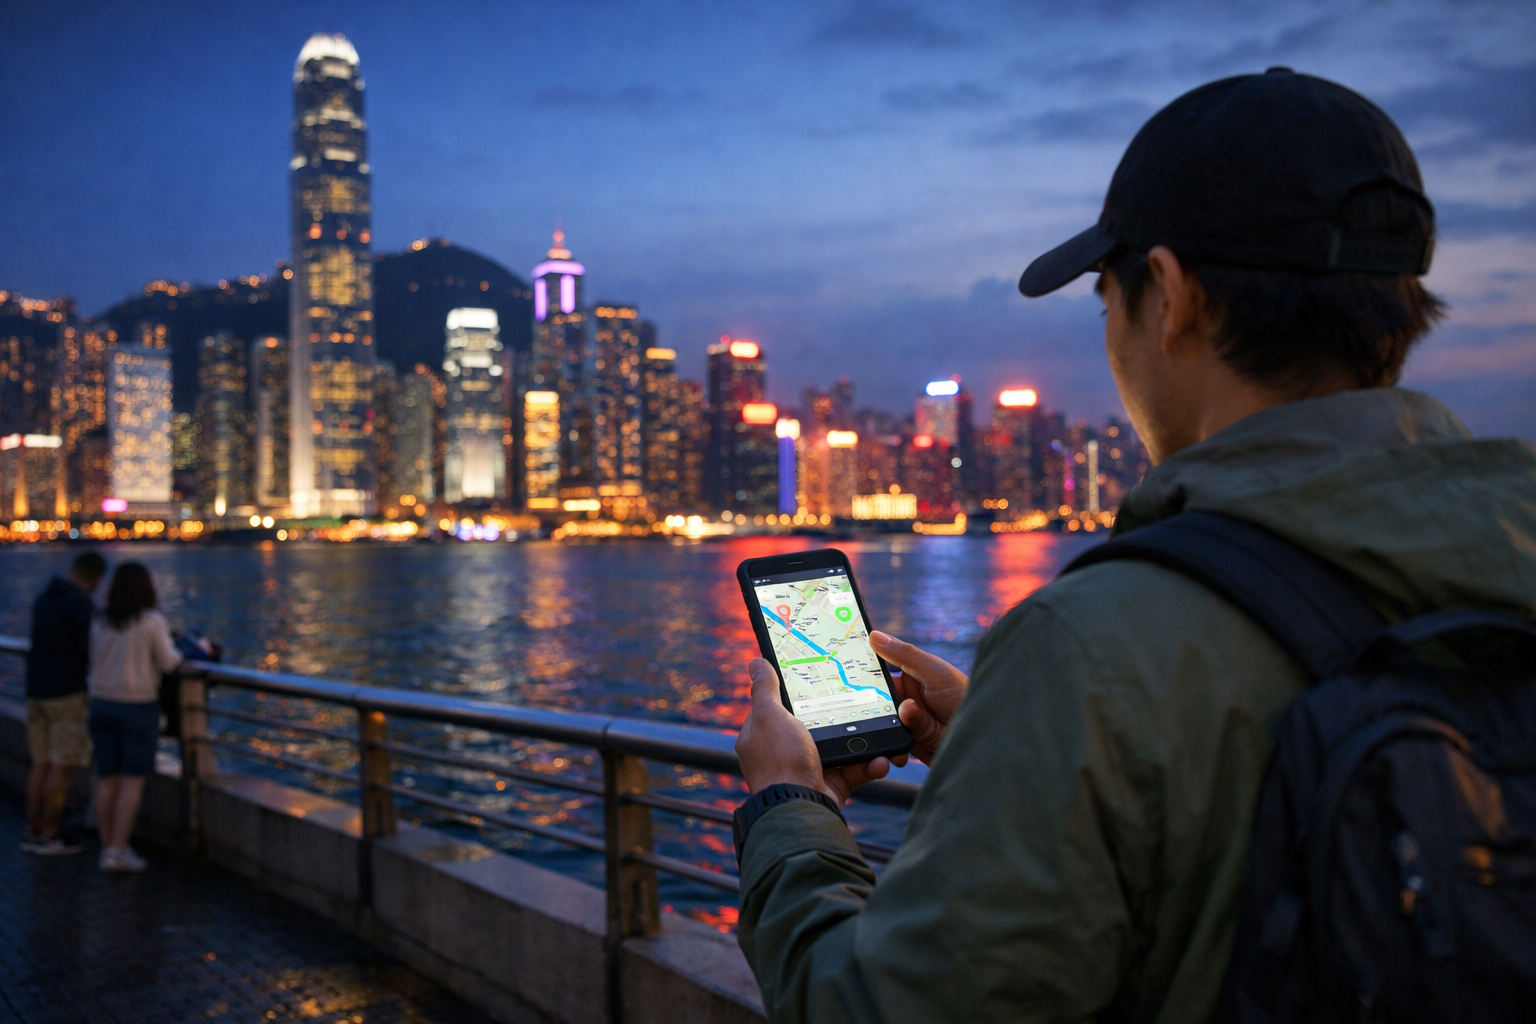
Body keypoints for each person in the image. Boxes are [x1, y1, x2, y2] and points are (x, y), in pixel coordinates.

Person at [730, 69, 1536, 1021]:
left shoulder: (1090, 649)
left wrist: (788, 815)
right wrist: (1009, 735)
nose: (1111, 332)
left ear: (1172, 294)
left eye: (1104, 297)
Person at [88, 562, 184, 873]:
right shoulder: (150, 620)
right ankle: (117, 851)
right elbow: (169, 663)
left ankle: (107, 848)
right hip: (137, 706)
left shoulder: (100, 619)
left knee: (106, 779)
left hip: (101, 703)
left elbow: (91, 659)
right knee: (131, 782)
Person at [22, 551, 108, 855]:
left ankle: (33, 829)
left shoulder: (45, 598)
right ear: (96, 579)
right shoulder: (79, 604)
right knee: (61, 764)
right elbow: (90, 649)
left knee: (40, 762)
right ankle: (51, 832)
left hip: (36, 690)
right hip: (66, 692)